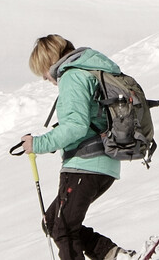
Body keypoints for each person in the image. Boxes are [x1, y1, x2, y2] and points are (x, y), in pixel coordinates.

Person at [20, 35, 137, 260]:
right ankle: (114, 255)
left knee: (63, 228)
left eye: (42, 71)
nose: (45, 78)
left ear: (49, 61)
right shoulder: (87, 70)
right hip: (103, 162)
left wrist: (38, 143)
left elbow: (75, 126)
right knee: (53, 222)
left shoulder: (72, 77)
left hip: (85, 164)